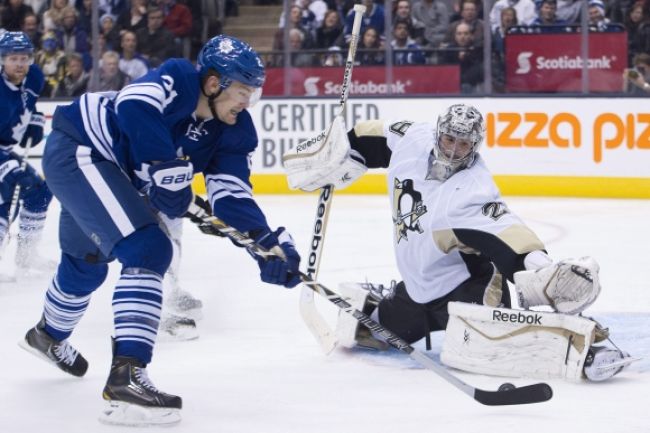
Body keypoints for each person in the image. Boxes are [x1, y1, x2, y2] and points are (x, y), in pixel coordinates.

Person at [19, 34, 301, 426]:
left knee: (87, 263)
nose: (246, 103)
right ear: (214, 82)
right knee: (150, 249)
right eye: (242, 92)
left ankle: (47, 334)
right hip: (81, 149)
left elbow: (231, 195)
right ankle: (126, 378)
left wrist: (265, 243)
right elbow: (134, 105)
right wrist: (162, 164)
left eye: (252, 94)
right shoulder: (180, 78)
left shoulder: (234, 131)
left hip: (108, 172)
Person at [283, 103, 633, 383]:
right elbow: (367, 135)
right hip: (419, 291)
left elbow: (509, 235)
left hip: (469, 292)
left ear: (474, 146)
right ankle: (382, 303)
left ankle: (589, 350)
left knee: (493, 349)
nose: (453, 150)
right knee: (377, 329)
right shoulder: (413, 139)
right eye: (449, 139)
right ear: (438, 133)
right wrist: (339, 152)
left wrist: (543, 269)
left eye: (463, 144)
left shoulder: (472, 191)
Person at [0, 31, 54, 278]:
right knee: (8, 185)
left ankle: (27, 253)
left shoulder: (34, 77)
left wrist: (35, 120)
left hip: (6, 150)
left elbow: (29, 107)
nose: (20, 64)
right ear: (2, 60)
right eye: (13, 58)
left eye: (24, 58)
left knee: (40, 191)